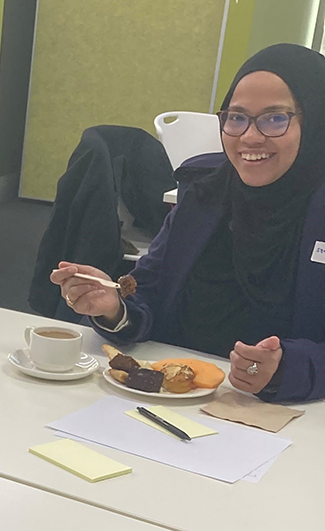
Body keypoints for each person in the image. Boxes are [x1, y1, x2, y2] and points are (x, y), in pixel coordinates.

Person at [51, 43, 325, 403]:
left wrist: (287, 369)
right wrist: (114, 308)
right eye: (237, 117)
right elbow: (150, 291)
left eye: (275, 118)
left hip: (285, 417)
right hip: (173, 397)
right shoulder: (205, 193)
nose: (250, 137)